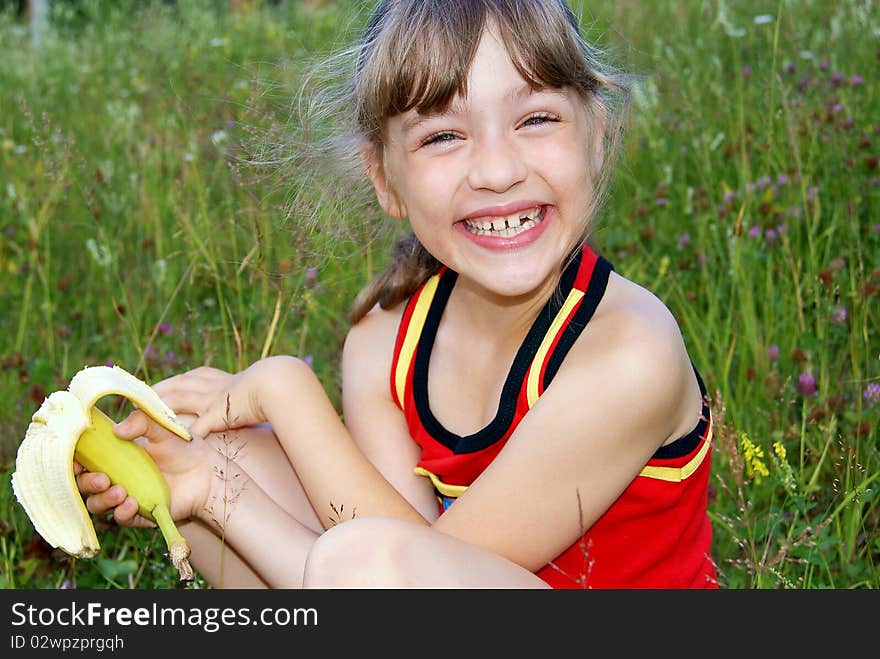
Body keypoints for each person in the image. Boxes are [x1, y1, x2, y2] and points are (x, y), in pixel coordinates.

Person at [76, 0, 717, 589]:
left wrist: (283, 390)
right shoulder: (385, 339)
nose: (497, 171)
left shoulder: (630, 352)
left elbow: (396, 580)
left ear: (595, 136)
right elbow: (387, 536)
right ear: (385, 178)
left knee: (356, 558)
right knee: (208, 452)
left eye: (537, 118)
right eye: (443, 136)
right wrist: (210, 490)